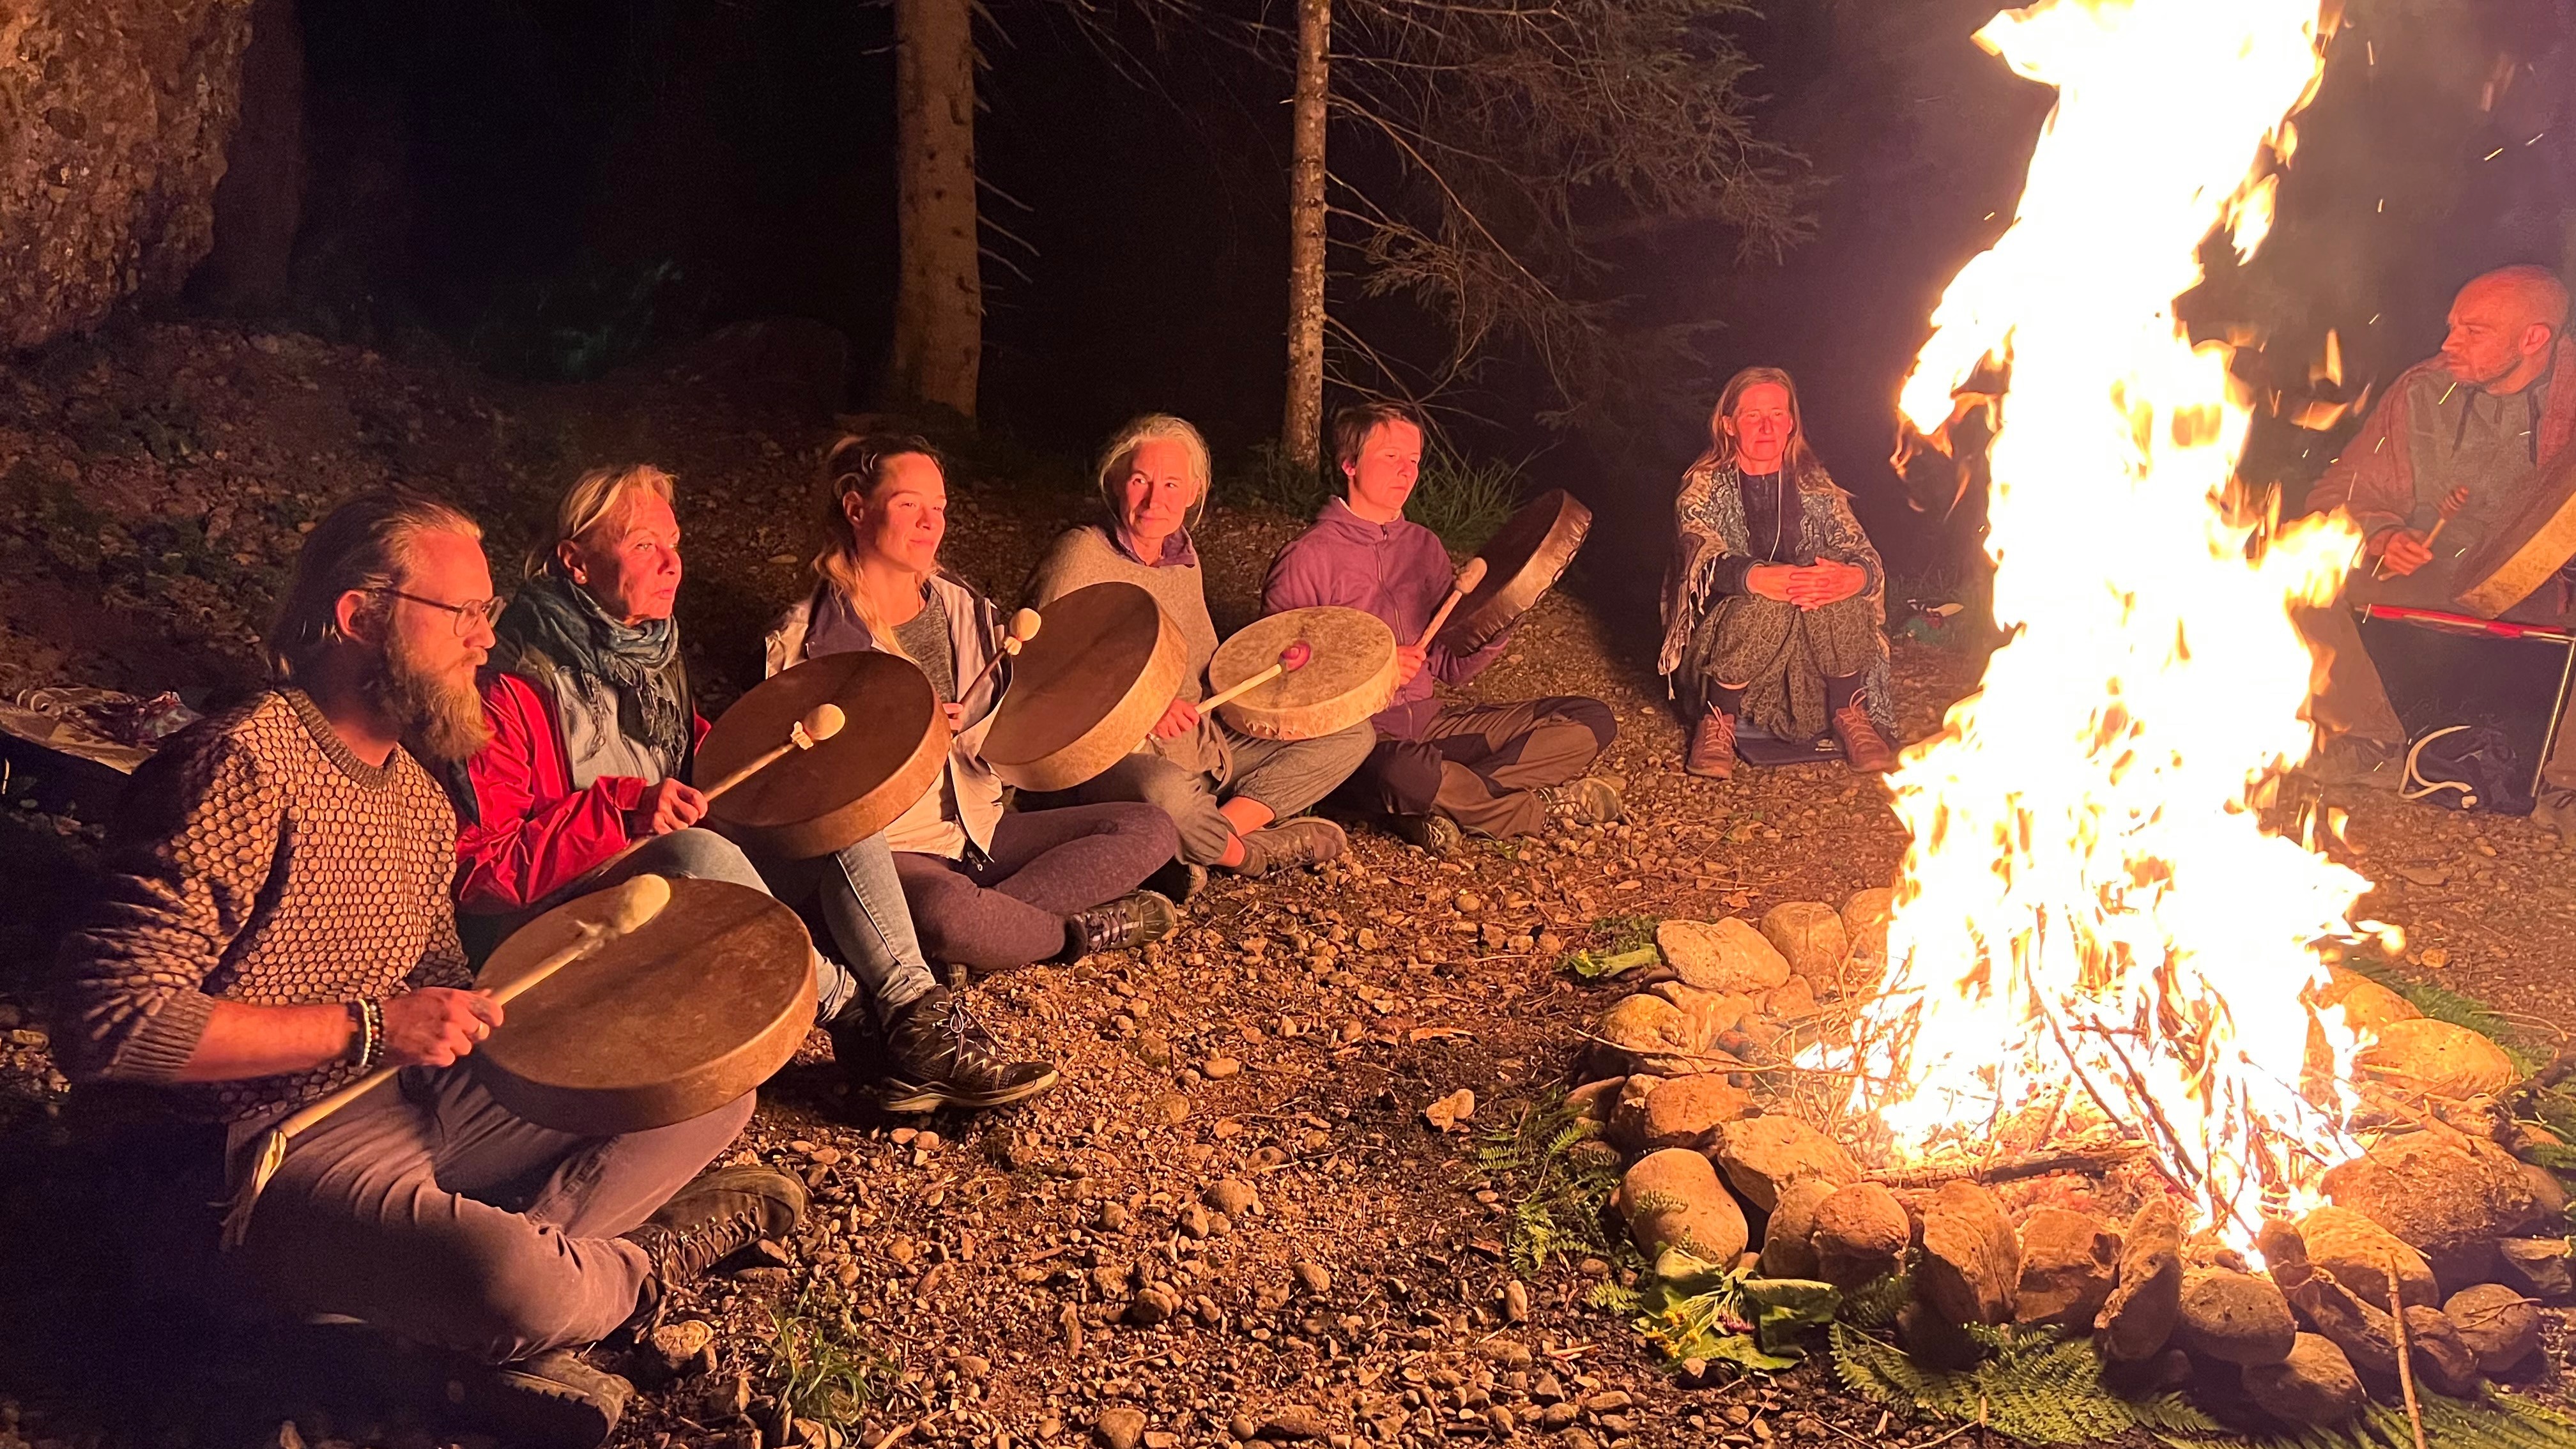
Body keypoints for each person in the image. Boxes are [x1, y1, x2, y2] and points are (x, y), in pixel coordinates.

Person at [51, 492, 804, 1446]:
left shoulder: (415, 800)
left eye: (489, 614)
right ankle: (619, 1274)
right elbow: (107, 1025)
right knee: (514, 1282)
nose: (486, 641)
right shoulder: (241, 768)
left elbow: (449, 1000)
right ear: (359, 615)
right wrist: (371, 1026)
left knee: (706, 1093)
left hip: (408, 1099)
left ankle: (437, 1316)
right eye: (465, 615)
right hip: (253, 1149)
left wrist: (601, 1011)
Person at [452, 464, 1055, 1114]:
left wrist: (776, 752)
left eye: (673, 543)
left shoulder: (649, 651)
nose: (671, 564)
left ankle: (915, 1017)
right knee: (698, 856)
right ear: (575, 561)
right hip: (563, 930)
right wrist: (627, 810)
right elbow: (481, 872)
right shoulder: (509, 686)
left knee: (832, 808)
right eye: (643, 545)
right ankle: (851, 1014)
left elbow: (693, 760)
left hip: (659, 887)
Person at [769, 434, 1183, 972]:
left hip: (980, 830)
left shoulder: (963, 608)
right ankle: (1070, 935)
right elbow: (790, 789)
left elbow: (1024, 706)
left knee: (1151, 827)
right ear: (855, 509)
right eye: (908, 505)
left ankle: (997, 933)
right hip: (898, 853)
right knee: (949, 916)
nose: (930, 522)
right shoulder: (806, 640)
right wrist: (892, 738)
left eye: (938, 508)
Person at [1023, 414, 1371, 895]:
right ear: (1117, 482)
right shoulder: (1081, 555)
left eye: (1171, 484)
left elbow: (1210, 667)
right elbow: (1038, 675)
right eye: (1141, 480)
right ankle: (1249, 854)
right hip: (1116, 758)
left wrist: (1278, 679)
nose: (1154, 499)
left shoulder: (1183, 559)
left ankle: (1208, 833)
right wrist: (1143, 709)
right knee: (1164, 794)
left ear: (1194, 491)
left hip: (1203, 743)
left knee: (1351, 732)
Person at [1262, 401, 1622, 852]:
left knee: (1590, 720)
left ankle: (1442, 802)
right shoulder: (1307, 559)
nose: (1406, 471)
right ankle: (1536, 809)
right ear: (1349, 463)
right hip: (1361, 741)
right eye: (1391, 456)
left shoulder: (1424, 547)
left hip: (1433, 728)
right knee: (1405, 772)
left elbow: (1450, 667)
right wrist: (1378, 669)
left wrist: (1499, 619)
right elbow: (1280, 686)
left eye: (1413, 459)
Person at [2301, 264, 2576, 783]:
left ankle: (2569, 781)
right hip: (2439, 572)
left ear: (2534, 339)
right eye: (2453, 326)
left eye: (2474, 332)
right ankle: (2368, 740)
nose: (2450, 342)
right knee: (2294, 572)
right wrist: (2381, 533)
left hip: (2552, 588)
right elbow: (2342, 490)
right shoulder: (2423, 393)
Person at [1657, 366, 1897, 780]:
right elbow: (1697, 555)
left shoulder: (1816, 485)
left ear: (1790, 424)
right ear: (1729, 425)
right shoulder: (1703, 486)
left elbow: (1863, 554)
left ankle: (1848, 710)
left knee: (1826, 577)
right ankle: (1718, 722)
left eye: (1777, 415)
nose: (1767, 426)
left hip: (1808, 675)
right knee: (1765, 594)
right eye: (1753, 415)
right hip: (1731, 667)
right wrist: (1757, 578)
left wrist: (1848, 578)